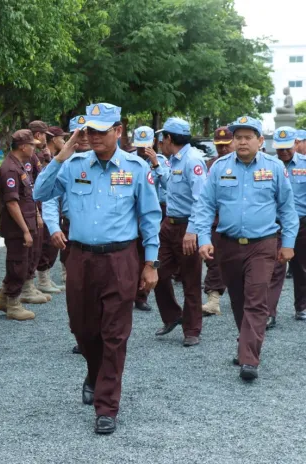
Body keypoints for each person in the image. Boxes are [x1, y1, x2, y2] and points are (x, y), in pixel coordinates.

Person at [34, 103, 161, 435]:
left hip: (121, 259)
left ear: (117, 131)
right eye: (88, 130)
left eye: (100, 131)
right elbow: (40, 192)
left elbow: (150, 218)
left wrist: (150, 263)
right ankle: (94, 372)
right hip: (80, 258)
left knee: (115, 334)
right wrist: (61, 155)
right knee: (83, 328)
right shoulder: (73, 164)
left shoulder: (135, 168)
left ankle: (107, 406)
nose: (93, 136)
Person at [196, 116, 298, 381]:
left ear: (260, 141)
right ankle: (246, 341)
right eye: (237, 137)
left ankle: (249, 359)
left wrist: (287, 244)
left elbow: (287, 209)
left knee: (256, 299)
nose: (241, 141)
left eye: (247, 136)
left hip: (262, 245)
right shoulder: (219, 168)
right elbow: (205, 205)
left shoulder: (274, 168)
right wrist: (203, 239)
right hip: (227, 246)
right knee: (239, 300)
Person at [153, 118, 206, 347]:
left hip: (187, 227)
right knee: (157, 273)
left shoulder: (193, 160)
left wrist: (192, 231)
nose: (160, 143)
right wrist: (157, 166)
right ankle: (174, 315)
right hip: (169, 225)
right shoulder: (173, 160)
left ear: (169, 139)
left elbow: (201, 200)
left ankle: (192, 329)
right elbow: (170, 188)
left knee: (190, 280)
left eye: (161, 139)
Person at [43, 116, 91, 355]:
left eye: (86, 133)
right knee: (76, 292)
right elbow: (49, 199)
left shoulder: (109, 160)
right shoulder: (62, 164)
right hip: (73, 232)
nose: (82, 138)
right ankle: (82, 336)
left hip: (106, 236)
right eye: (77, 133)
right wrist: (53, 227)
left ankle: (103, 337)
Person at [0, 130, 41, 321]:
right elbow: (12, 203)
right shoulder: (10, 169)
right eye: (32, 144)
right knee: (18, 264)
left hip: (24, 223)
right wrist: (25, 230)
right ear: (23, 146)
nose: (34, 148)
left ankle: (3, 298)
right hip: (17, 227)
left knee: (21, 262)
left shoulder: (19, 166)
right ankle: (13, 304)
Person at [131, 126, 169, 312]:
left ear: (153, 143)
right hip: (130, 212)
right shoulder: (127, 160)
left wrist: (155, 164)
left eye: (145, 146)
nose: (142, 150)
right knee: (130, 255)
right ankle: (126, 293)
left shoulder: (161, 161)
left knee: (149, 254)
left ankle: (141, 297)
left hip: (153, 212)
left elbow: (168, 185)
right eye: (139, 146)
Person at [272, 127, 306, 322]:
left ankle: (301, 307)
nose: (283, 152)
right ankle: (268, 313)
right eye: (279, 148)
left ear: (295, 143)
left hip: (301, 223)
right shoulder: (268, 165)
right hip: (275, 225)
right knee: (272, 269)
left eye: (287, 147)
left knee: (301, 267)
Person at [201, 127, 233, 317]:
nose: (222, 149)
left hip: (237, 224)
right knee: (212, 260)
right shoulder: (210, 164)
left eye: (226, 145)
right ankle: (213, 300)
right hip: (215, 222)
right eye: (219, 145)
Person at [35, 126, 69, 294]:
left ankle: (45, 278)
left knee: (51, 245)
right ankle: (42, 280)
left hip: (52, 205)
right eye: (62, 138)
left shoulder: (53, 157)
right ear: (54, 139)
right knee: (46, 244)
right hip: (41, 206)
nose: (64, 141)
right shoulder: (42, 158)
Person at [23, 120, 53, 303]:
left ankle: (31, 286)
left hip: (37, 207)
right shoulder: (30, 158)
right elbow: (31, 186)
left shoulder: (37, 155)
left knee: (38, 248)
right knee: (30, 251)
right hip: (31, 209)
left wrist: (48, 158)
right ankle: (25, 288)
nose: (45, 138)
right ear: (37, 134)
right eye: (43, 134)